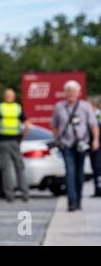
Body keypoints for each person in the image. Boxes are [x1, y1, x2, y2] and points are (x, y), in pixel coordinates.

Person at [52, 81, 99, 211]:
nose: (71, 94)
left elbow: (93, 125)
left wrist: (95, 140)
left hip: (82, 144)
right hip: (66, 144)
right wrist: (58, 139)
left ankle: (78, 199)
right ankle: (71, 202)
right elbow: (54, 125)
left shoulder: (85, 106)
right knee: (70, 172)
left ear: (78, 93)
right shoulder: (59, 107)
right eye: (69, 91)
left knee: (79, 173)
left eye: (74, 91)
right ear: (65, 92)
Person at [0, 89, 30, 202]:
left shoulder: (0, 107)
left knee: (6, 169)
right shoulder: (18, 107)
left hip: (3, 141)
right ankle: (25, 194)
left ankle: (10, 195)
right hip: (15, 141)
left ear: (5, 97)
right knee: (19, 168)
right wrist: (23, 137)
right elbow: (27, 125)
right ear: (13, 97)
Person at [89, 98, 101, 197]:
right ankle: (97, 189)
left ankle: (99, 190)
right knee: (95, 167)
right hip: (94, 144)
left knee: (97, 167)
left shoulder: (97, 115)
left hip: (97, 144)